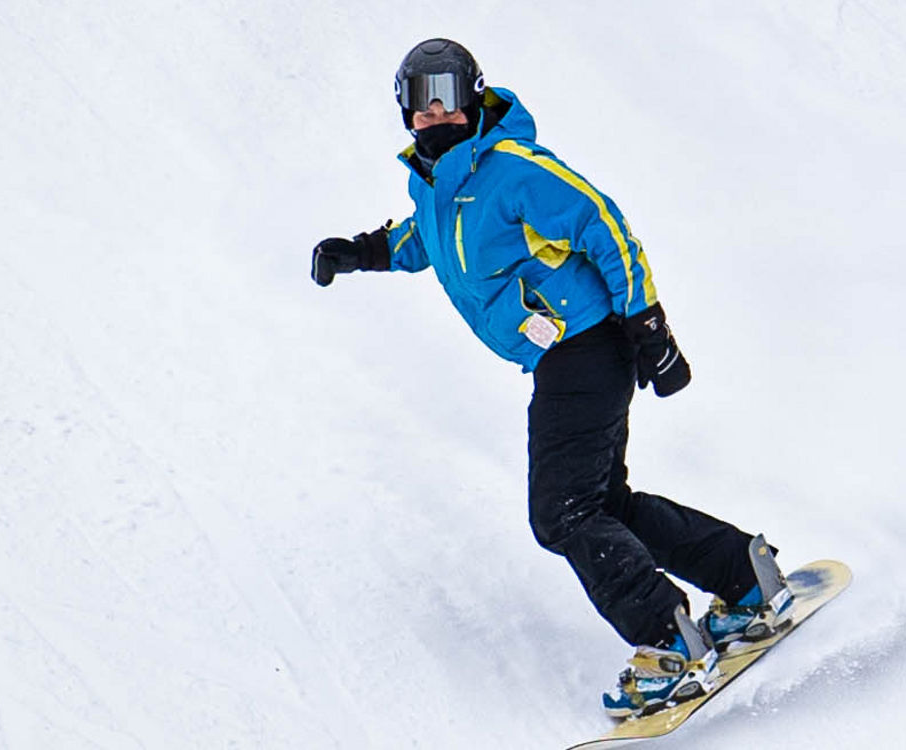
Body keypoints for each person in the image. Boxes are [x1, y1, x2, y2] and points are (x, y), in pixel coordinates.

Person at [309, 38, 796, 719]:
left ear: (476, 92)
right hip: (562, 356)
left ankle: (667, 636)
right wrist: (360, 252)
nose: (437, 110)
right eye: (423, 98)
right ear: (405, 111)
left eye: (449, 91)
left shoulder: (509, 167)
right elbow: (422, 238)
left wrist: (647, 324)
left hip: (587, 347)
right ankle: (744, 576)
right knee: (602, 505)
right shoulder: (436, 187)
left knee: (561, 513)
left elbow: (602, 223)